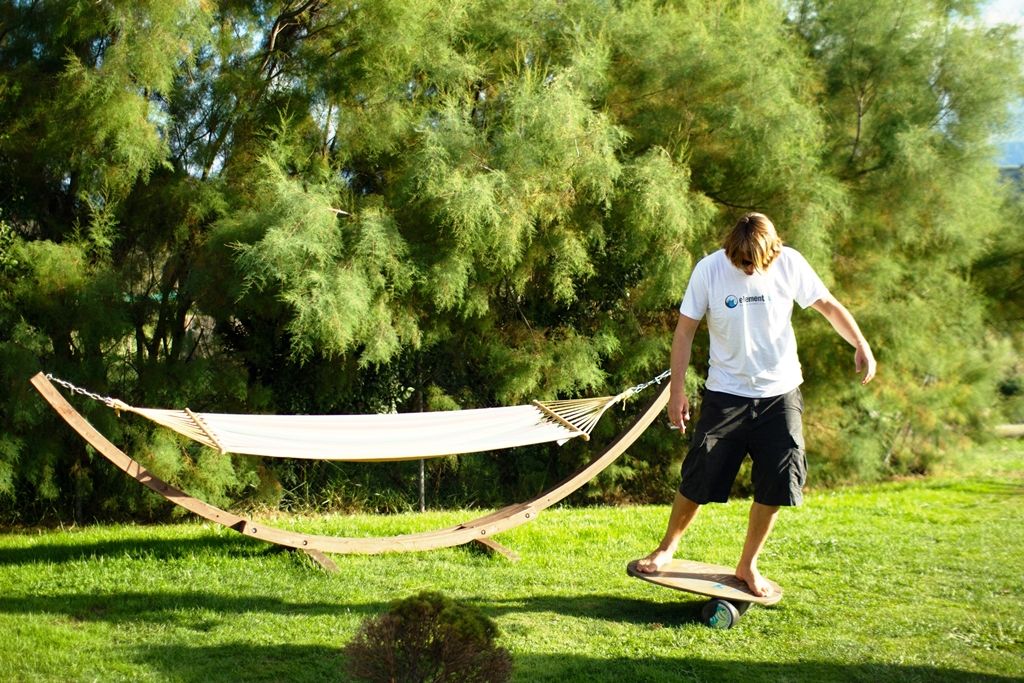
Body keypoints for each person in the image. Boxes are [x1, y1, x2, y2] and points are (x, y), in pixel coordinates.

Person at [635, 212, 876, 597]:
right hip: (726, 393)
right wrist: (676, 392)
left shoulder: (790, 263)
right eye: (741, 261)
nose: (748, 268)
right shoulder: (709, 270)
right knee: (699, 474)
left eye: (755, 262)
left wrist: (861, 344)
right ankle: (667, 548)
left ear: (771, 251)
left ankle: (748, 564)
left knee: (779, 482)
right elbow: (685, 331)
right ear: (731, 251)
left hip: (780, 394)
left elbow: (828, 305)